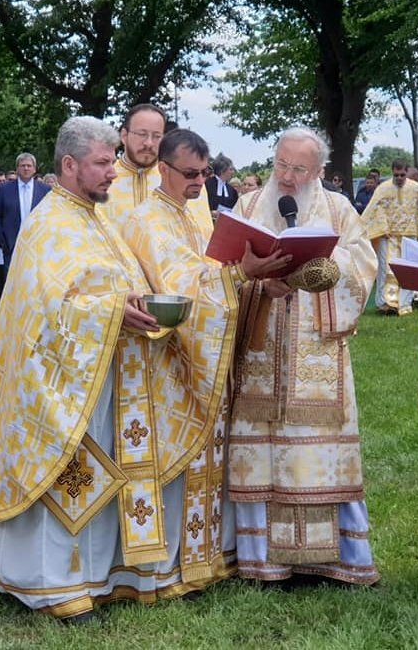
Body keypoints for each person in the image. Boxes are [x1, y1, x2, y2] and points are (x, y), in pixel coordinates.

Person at [0, 116, 203, 621]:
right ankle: (47, 585)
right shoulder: (49, 223)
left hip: (102, 373)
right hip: (58, 382)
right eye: (103, 163)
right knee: (64, 474)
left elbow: (104, 282)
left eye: (112, 162)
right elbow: (45, 307)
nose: (113, 172)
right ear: (69, 165)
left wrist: (129, 300)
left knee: (101, 477)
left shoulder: (95, 216)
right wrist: (112, 310)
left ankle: (96, 575)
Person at [120, 129, 292, 596]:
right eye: (190, 173)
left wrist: (257, 280)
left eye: (205, 173)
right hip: (171, 361)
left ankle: (210, 555)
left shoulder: (199, 214)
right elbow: (179, 285)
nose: (199, 181)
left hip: (211, 357)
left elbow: (218, 273)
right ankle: (173, 566)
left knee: (213, 457)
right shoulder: (144, 220)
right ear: (163, 168)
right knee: (181, 462)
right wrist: (240, 274)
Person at [228, 127, 380, 586]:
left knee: (319, 453)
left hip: (318, 357)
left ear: (317, 172)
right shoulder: (248, 207)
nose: (288, 177)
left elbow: (364, 265)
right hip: (260, 353)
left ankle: (334, 561)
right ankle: (262, 562)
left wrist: (324, 273)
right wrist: (256, 284)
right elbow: (222, 269)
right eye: (281, 165)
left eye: (298, 168)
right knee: (260, 456)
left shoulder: (337, 209)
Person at [102, 103, 213, 236]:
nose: (149, 143)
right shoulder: (101, 181)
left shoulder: (183, 178)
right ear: (124, 136)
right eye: (142, 134)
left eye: (156, 136)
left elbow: (204, 235)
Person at [361, 159, 418, 315]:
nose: (399, 178)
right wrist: (382, 228)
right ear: (392, 173)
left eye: (402, 175)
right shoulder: (383, 189)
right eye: (396, 175)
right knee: (385, 269)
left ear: (407, 172)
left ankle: (404, 304)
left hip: (409, 235)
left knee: (408, 271)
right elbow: (375, 209)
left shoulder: (416, 188)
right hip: (387, 236)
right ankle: (384, 303)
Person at [0, 152, 50, 277]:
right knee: (11, 282)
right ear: (17, 168)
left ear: (34, 169)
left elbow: (50, 218)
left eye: (29, 165)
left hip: (37, 246)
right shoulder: (4, 189)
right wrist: (3, 242)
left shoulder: (45, 190)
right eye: (22, 165)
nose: (26, 168)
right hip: (11, 246)